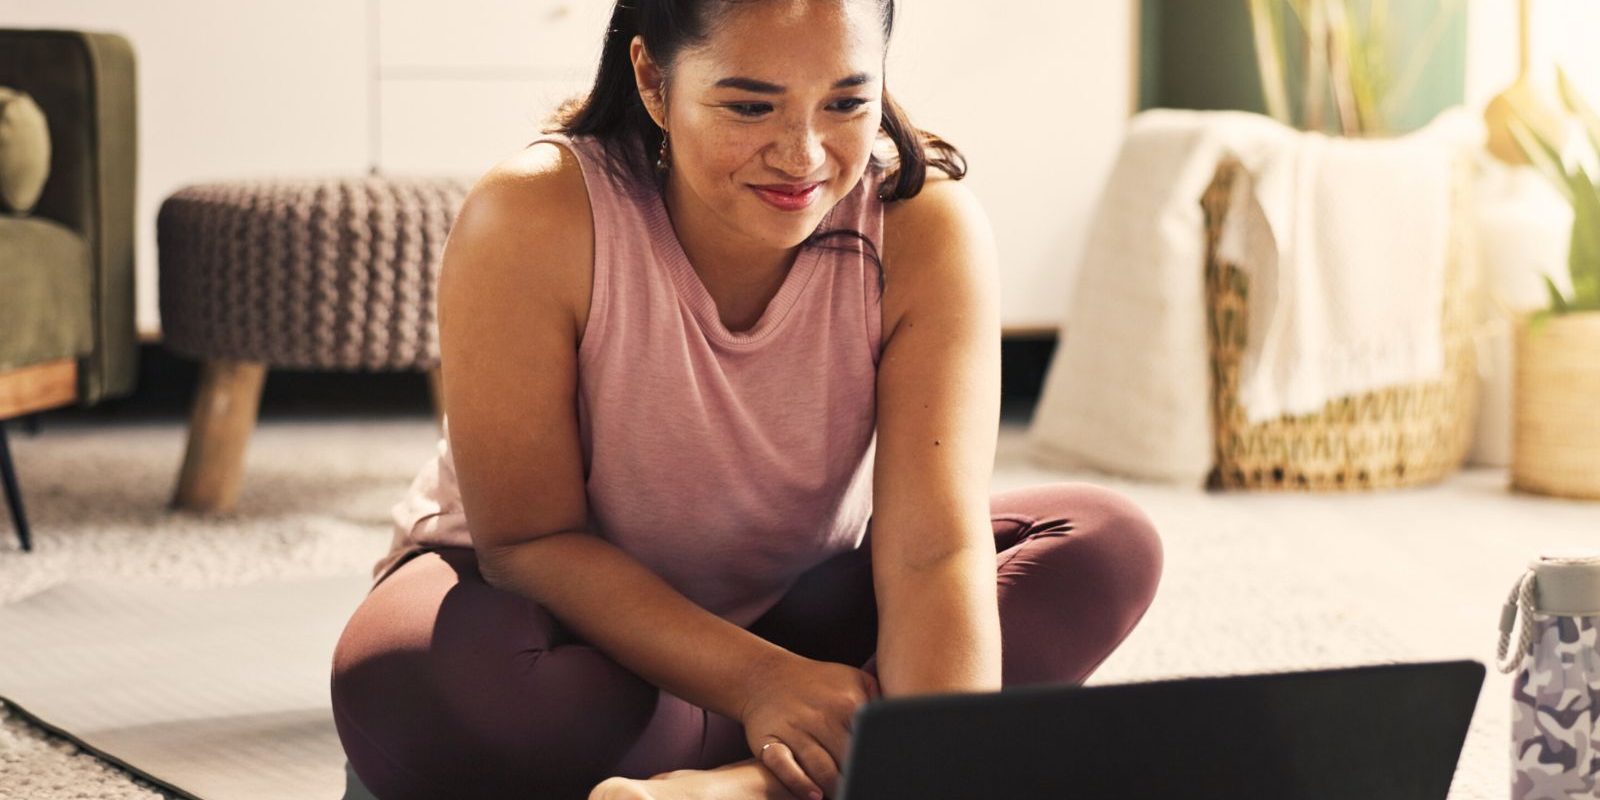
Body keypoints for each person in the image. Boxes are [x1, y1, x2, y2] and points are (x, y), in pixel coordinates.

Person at [330, 1, 1165, 798]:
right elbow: (529, 540)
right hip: (552, 611)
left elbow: (927, 552)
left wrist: (909, 752)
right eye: (750, 107)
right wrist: (761, 683)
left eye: (846, 102)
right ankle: (838, 750)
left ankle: (753, 783)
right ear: (655, 83)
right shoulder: (532, 211)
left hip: (794, 607)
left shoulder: (923, 226)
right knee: (416, 689)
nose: (803, 155)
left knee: (1103, 544)